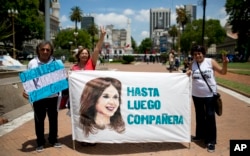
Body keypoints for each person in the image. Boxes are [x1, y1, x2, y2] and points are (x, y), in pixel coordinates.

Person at [186, 45, 229, 153]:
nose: (197, 55)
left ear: (203, 53)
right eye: (195, 54)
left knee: (210, 117)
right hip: (196, 95)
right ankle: (200, 135)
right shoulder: (193, 64)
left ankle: (211, 141)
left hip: (210, 95)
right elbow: (188, 74)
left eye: (199, 53)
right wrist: (188, 73)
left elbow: (223, 72)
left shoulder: (210, 62)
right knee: (199, 116)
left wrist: (225, 64)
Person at [23, 41, 62, 152]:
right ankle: (40, 142)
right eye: (43, 49)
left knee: (53, 119)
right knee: (39, 120)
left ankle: (53, 140)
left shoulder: (56, 63)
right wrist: (25, 90)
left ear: (51, 51)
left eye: (47, 50)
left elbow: (60, 78)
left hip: (53, 96)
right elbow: (28, 80)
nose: (45, 52)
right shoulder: (32, 63)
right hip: (38, 97)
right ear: (38, 50)